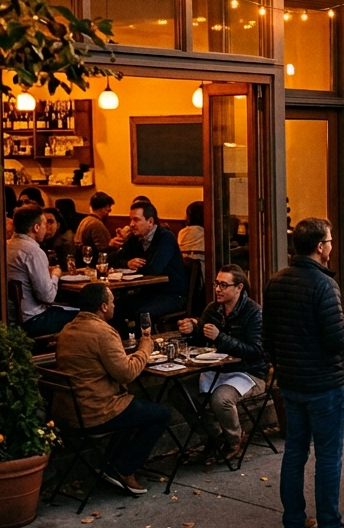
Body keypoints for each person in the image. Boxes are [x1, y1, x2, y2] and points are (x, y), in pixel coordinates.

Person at [265, 217, 344, 528]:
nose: (332, 246)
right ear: (320, 247)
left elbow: (268, 337)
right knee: (328, 455)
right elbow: (336, 338)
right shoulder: (324, 285)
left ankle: (292, 522)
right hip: (324, 385)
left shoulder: (276, 281)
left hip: (291, 383)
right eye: (330, 241)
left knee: (294, 452)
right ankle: (330, 526)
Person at [53, 282, 170, 495]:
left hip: (68, 411)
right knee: (160, 415)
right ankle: (123, 469)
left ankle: (110, 466)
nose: (115, 306)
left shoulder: (67, 329)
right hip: (95, 412)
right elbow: (127, 373)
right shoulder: (103, 332)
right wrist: (145, 346)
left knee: (133, 409)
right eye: (113, 302)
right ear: (103, 307)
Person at [176, 265, 265, 462]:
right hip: (216, 369)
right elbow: (199, 341)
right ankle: (215, 437)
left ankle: (234, 441)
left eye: (224, 285)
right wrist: (192, 329)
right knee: (179, 392)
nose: (218, 289)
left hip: (248, 372)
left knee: (220, 399)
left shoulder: (253, 312)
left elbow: (256, 352)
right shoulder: (213, 309)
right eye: (217, 284)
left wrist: (221, 338)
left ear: (239, 287)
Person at [110, 202, 188, 328]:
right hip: (149, 292)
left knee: (142, 314)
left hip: (172, 294)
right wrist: (127, 263)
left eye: (136, 220)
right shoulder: (136, 238)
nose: (131, 224)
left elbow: (154, 268)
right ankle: (122, 345)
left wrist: (133, 265)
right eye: (130, 220)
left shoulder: (165, 237)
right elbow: (112, 259)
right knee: (114, 307)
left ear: (150, 221)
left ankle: (143, 345)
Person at [7, 205, 78, 338]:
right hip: (32, 320)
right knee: (87, 316)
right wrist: (55, 275)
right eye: (45, 224)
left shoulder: (6, 246)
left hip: (10, 318)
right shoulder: (33, 252)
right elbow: (48, 297)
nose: (46, 229)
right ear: (36, 227)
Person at [75, 191, 116, 256]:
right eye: (109, 207)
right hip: (94, 263)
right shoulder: (96, 224)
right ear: (106, 207)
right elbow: (104, 251)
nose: (110, 210)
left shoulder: (85, 220)